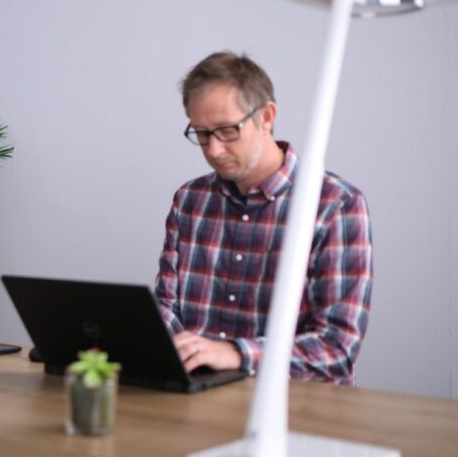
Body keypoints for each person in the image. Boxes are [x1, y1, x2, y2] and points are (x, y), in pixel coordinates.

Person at [154, 51, 373, 386]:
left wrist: (236, 353)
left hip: (296, 411)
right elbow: (167, 310)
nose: (213, 150)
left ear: (266, 116)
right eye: (201, 134)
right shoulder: (190, 200)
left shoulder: (335, 205)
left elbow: (337, 349)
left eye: (227, 131)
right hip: (196, 403)